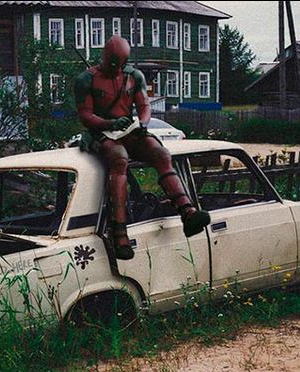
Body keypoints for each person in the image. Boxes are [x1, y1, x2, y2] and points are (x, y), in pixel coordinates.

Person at [74, 36, 210, 260]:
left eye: (118, 64)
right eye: (111, 63)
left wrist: (143, 125)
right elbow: (86, 115)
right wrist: (109, 124)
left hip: (129, 130)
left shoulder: (134, 76)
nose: (114, 68)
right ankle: (119, 233)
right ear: (105, 57)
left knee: (161, 153)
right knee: (119, 158)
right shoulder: (86, 79)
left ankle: (188, 211)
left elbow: (144, 106)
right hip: (103, 133)